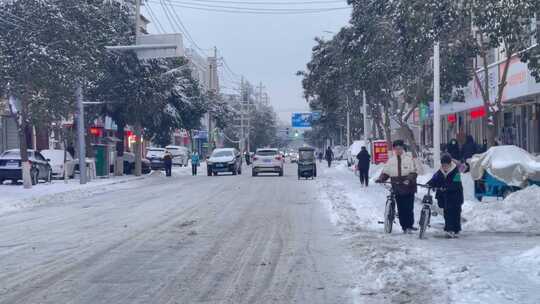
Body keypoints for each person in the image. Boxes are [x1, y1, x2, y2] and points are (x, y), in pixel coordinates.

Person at [375, 140, 418, 233]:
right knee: (401, 208)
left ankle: (409, 226)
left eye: (400, 148)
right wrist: (381, 179)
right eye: (396, 148)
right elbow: (386, 172)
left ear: (403, 148)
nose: (398, 150)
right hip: (397, 187)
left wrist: (409, 179)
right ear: (394, 149)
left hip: (408, 187)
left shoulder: (409, 158)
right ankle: (404, 227)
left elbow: (414, 171)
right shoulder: (391, 160)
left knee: (409, 208)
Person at [427, 153, 464, 238]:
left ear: (450, 164)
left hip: (455, 196)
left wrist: (447, 188)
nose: (444, 166)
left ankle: (454, 229)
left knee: (455, 212)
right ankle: (449, 229)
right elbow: (434, 179)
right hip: (445, 196)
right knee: (447, 212)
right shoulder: (440, 171)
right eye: (443, 165)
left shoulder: (456, 172)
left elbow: (456, 184)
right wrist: (429, 184)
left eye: (446, 165)